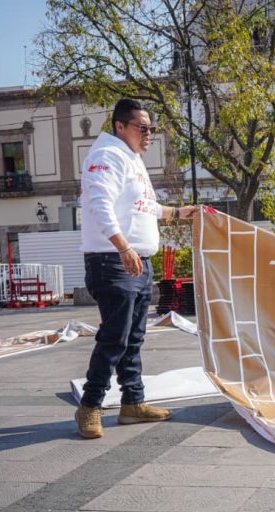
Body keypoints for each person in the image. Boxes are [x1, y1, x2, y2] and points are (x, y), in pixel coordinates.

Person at [75, 98, 200, 439]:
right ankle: (90, 406)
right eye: (142, 128)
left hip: (137, 263)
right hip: (114, 261)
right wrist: (123, 246)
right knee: (114, 337)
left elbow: (145, 208)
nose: (149, 135)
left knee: (134, 337)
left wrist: (178, 213)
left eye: (152, 129)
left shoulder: (131, 160)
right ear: (120, 126)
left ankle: (133, 403)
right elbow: (99, 204)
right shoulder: (106, 156)